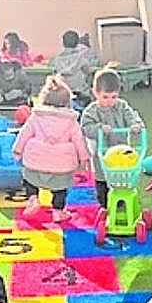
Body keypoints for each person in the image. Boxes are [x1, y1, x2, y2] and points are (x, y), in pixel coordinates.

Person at [12, 75, 92, 222]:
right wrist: (84, 159)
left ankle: (33, 198)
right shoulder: (71, 121)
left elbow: (24, 134)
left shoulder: (36, 117)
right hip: (61, 166)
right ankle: (58, 211)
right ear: (68, 102)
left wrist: (17, 150)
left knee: (29, 180)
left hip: (36, 162)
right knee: (60, 190)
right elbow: (79, 141)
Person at [79, 67, 146, 208]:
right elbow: (86, 128)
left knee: (122, 182)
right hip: (102, 155)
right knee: (103, 184)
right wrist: (99, 128)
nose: (110, 101)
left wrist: (136, 125)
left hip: (122, 153)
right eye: (105, 97)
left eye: (114, 97)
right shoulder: (91, 111)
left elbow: (132, 116)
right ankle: (104, 206)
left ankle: (121, 205)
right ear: (96, 93)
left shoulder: (122, 106)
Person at [50, 29, 98, 107]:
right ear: (77, 43)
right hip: (80, 92)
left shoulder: (56, 60)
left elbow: (54, 74)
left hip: (63, 93)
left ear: (63, 43)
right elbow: (88, 71)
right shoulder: (80, 58)